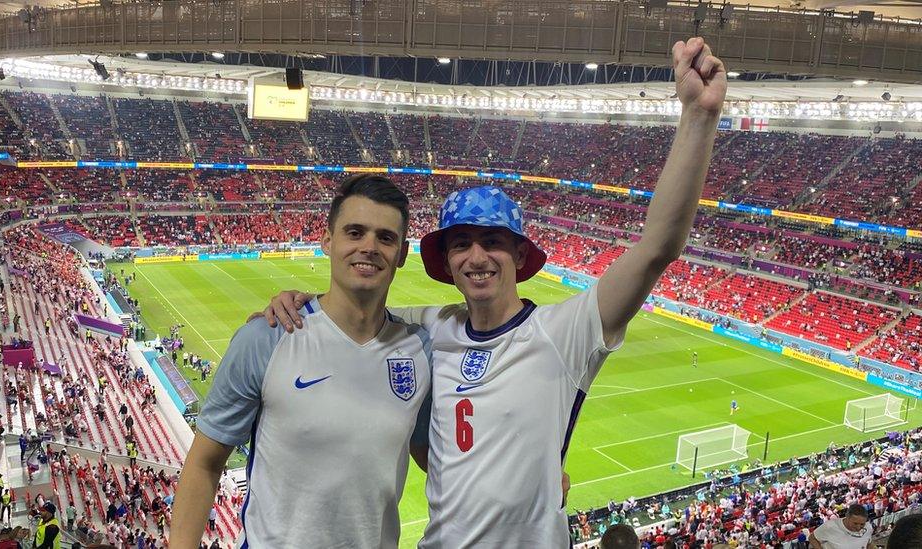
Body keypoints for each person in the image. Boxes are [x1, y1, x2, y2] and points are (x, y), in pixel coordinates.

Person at [262, 36, 727, 548]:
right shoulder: (425, 330)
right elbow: (348, 314)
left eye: (493, 242)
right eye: (461, 243)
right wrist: (295, 300)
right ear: (447, 262)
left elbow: (657, 246)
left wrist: (699, 117)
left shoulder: (563, 334)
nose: (477, 257)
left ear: (521, 257)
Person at [170, 175, 433, 548]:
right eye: (354, 232)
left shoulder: (421, 349)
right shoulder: (266, 337)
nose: (369, 247)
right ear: (327, 240)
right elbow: (204, 464)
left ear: (403, 253)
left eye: (385, 238)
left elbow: (434, 460)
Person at [810, 503, 874, 549]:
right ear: (847, 517)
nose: (858, 527)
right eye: (855, 523)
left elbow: (868, 543)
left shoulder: (868, 527)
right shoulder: (830, 526)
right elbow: (812, 538)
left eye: (862, 524)